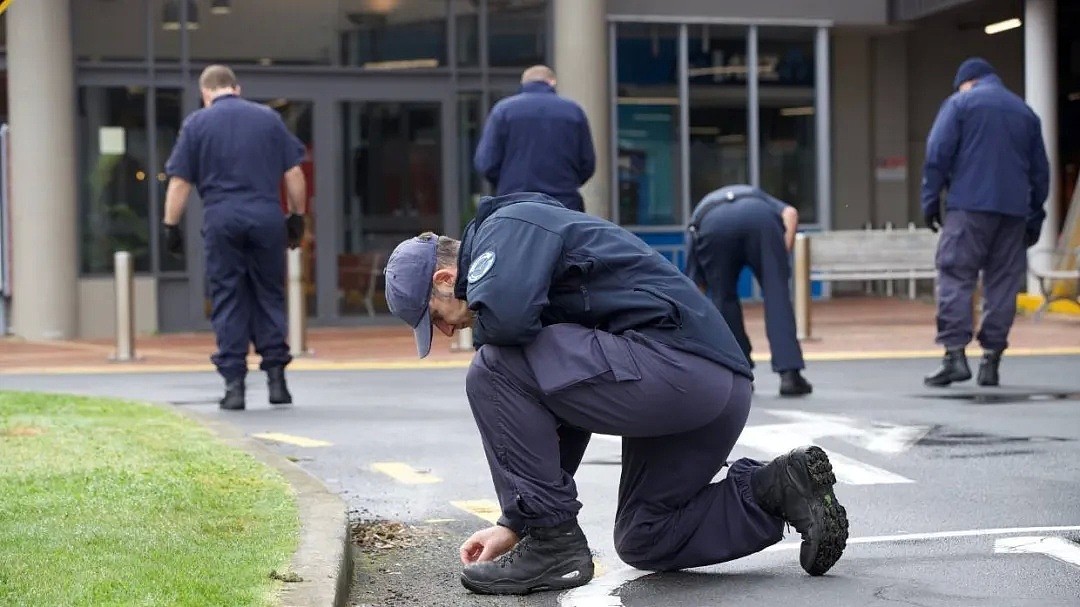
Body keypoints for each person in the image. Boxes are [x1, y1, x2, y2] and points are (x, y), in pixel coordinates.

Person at [382, 192, 849, 596]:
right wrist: (516, 523)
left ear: (446, 279)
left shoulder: (507, 229)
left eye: (436, 317)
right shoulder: (522, 270)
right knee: (646, 537)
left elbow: (505, 328)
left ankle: (554, 546)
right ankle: (778, 489)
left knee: (492, 366)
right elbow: (561, 413)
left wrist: (546, 530)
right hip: (708, 389)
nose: (445, 332)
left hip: (678, 370)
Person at [162, 64, 308, 411]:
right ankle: (277, 381)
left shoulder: (197, 123)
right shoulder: (268, 118)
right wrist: (297, 217)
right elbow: (294, 173)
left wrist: (171, 225)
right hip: (265, 215)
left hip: (221, 217)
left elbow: (180, 182)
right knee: (269, 294)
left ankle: (234, 386)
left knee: (228, 297)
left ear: (205, 93)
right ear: (236, 88)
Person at [921, 57, 1050, 387]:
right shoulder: (1025, 112)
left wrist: (930, 200)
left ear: (967, 81)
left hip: (969, 209)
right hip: (1013, 213)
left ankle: (954, 355)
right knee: (1003, 285)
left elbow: (938, 152)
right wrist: (1035, 214)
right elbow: (1040, 171)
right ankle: (991, 361)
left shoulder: (960, 103)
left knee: (956, 275)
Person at [685, 184, 813, 397]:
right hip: (759, 217)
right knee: (776, 294)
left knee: (722, 298)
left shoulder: (698, 217)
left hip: (712, 223)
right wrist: (780, 257)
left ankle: (738, 374)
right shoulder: (758, 196)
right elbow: (791, 214)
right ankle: (790, 375)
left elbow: (695, 286)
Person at [473, 65, 595, 213]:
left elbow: (486, 163)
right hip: (564, 205)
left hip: (515, 205)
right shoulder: (574, 111)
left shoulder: (503, 110)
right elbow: (587, 163)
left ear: (524, 83)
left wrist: (509, 183)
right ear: (552, 82)